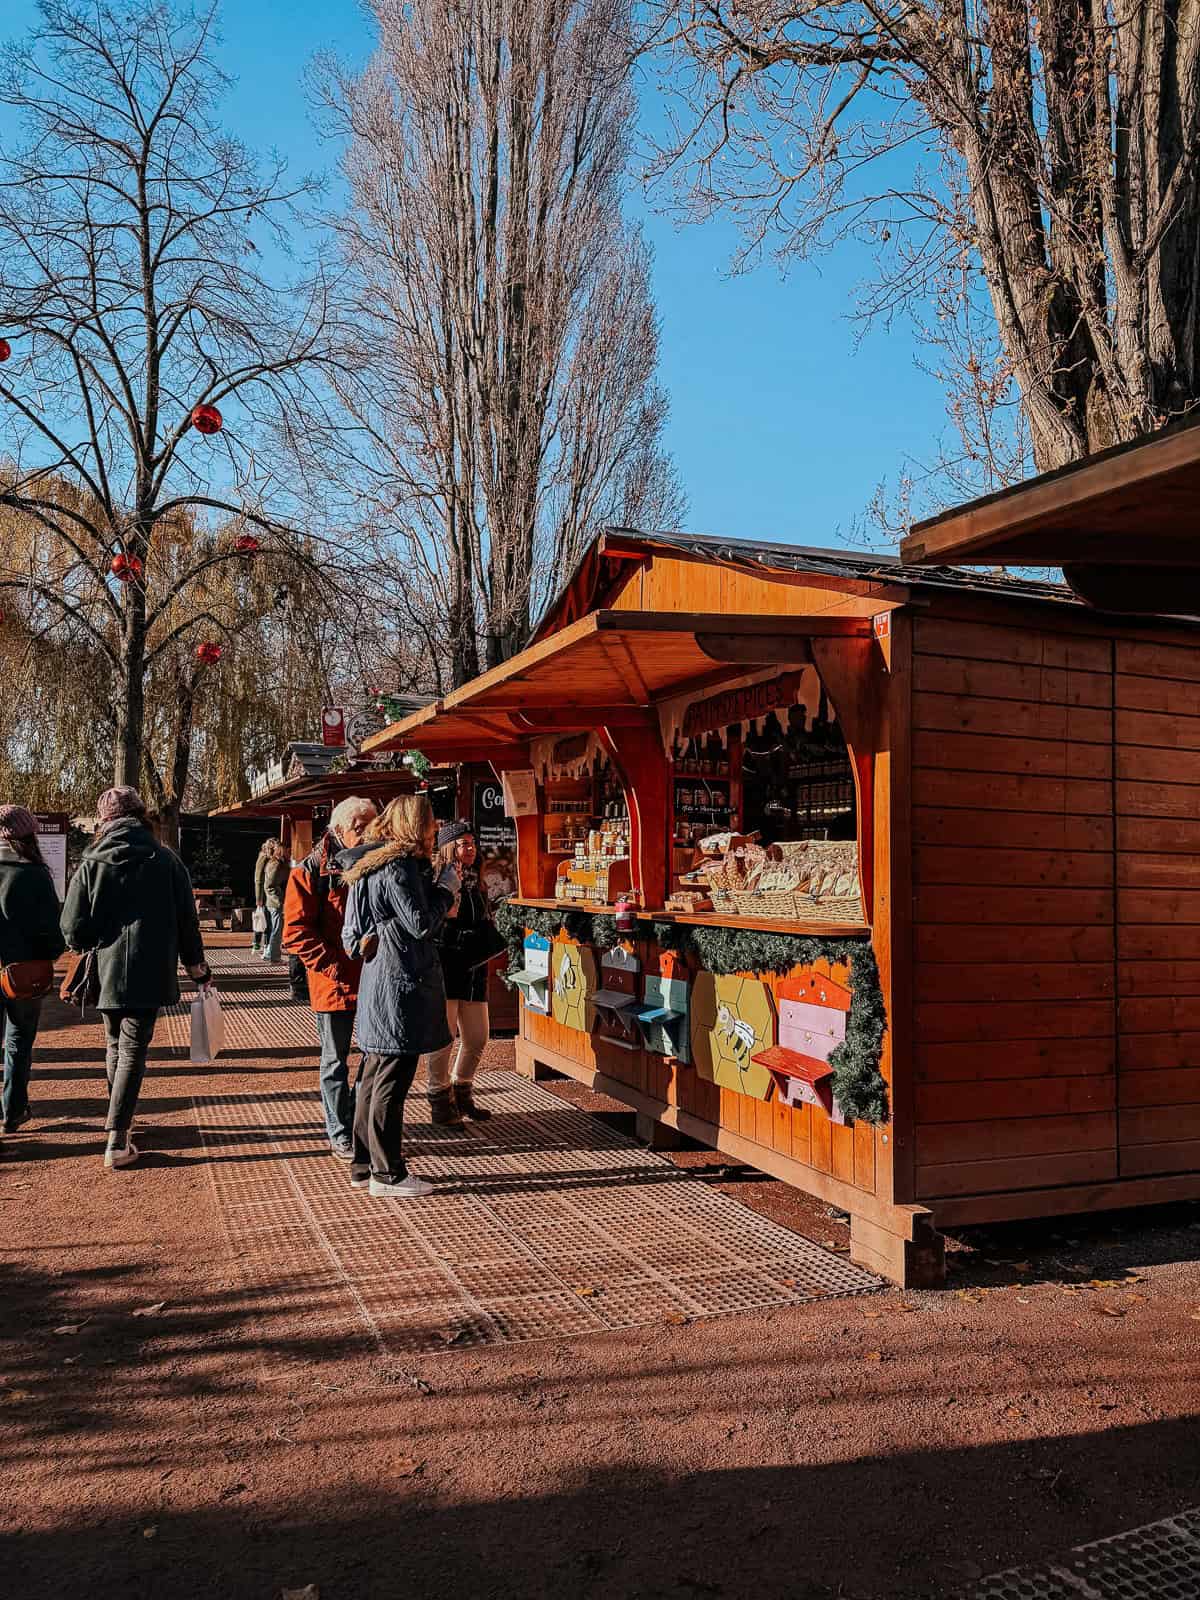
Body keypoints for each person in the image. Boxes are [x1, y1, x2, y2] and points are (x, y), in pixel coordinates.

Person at [61, 787, 210, 1169]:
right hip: (151, 967)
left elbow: (72, 927)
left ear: (104, 819)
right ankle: (118, 1135)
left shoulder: (91, 861)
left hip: (106, 969)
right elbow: (186, 921)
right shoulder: (166, 860)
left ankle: (119, 1122)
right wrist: (197, 967)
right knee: (132, 1049)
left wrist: (90, 942)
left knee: (114, 1045)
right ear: (142, 815)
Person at [340, 794, 458, 1199]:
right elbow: (421, 923)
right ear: (414, 825)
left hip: (378, 979)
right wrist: (445, 891)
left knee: (372, 1076)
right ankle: (387, 1172)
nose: (434, 830)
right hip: (401, 982)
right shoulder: (399, 866)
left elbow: (351, 934)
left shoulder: (366, 865)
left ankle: (362, 1163)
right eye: (429, 823)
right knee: (392, 1077)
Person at [282, 796, 379, 1161]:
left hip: (371, 976)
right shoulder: (311, 869)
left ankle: (357, 1121)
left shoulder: (374, 862)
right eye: (360, 827)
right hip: (334, 980)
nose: (367, 832)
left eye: (371, 825)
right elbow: (294, 932)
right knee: (335, 1060)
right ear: (339, 830)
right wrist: (332, 965)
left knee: (374, 1056)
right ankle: (340, 1131)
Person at [425, 820, 497, 1128]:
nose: (470, 848)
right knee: (444, 1037)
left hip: (474, 965)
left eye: (472, 842)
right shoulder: (439, 877)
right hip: (446, 962)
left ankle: (462, 1089)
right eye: (463, 843)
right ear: (448, 846)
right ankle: (439, 1099)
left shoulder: (476, 880)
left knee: (478, 1035)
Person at [0, 806, 66, 1137]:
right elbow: (52, 932)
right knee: (18, 1041)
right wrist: (50, 955)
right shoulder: (35, 873)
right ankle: (12, 1110)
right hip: (22, 973)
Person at [258, 839, 289, 963]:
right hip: (275, 903)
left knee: (276, 929)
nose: (288, 852)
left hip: (275, 902)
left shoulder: (280, 863)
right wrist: (280, 900)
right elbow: (269, 885)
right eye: (286, 850)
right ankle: (273, 956)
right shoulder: (275, 864)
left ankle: (270, 953)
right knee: (277, 929)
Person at [250, 840, 273, 952]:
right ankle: (262, 944)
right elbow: (258, 879)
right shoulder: (264, 858)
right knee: (264, 920)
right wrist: (259, 898)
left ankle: (260, 944)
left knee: (264, 919)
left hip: (265, 894)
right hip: (263, 895)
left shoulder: (266, 858)